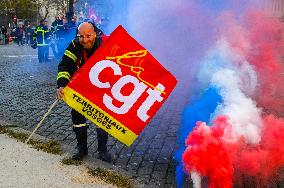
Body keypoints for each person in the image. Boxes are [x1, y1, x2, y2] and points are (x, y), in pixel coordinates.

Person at [56, 22, 111, 162]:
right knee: (77, 117)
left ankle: (103, 151)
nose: (85, 40)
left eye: (88, 36)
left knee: (102, 119)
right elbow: (65, 65)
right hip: (81, 86)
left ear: (95, 33)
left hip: (102, 87)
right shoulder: (75, 45)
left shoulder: (107, 42)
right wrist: (61, 85)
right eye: (81, 36)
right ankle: (82, 149)